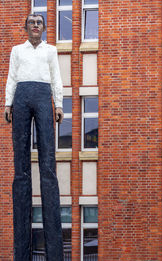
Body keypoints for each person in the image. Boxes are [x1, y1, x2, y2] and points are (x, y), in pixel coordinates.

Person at [4, 14, 64, 260]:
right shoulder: (17, 50)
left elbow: (57, 78)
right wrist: (8, 104)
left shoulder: (51, 51)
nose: (35, 26)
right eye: (31, 23)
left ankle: (54, 252)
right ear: (26, 27)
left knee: (47, 165)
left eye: (39, 22)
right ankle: (22, 252)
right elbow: (11, 77)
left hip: (42, 96)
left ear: (44, 28)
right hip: (21, 95)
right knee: (21, 169)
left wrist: (58, 104)